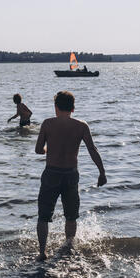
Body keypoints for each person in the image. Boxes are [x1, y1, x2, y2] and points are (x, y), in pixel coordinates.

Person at [34, 91, 106, 260]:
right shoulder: (81, 125)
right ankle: (68, 247)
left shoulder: (47, 124)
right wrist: (102, 172)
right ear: (73, 108)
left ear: (55, 107)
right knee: (71, 215)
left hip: (51, 173)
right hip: (71, 174)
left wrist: (47, 149)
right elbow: (92, 150)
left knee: (43, 216)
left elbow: (38, 150)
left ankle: (42, 252)